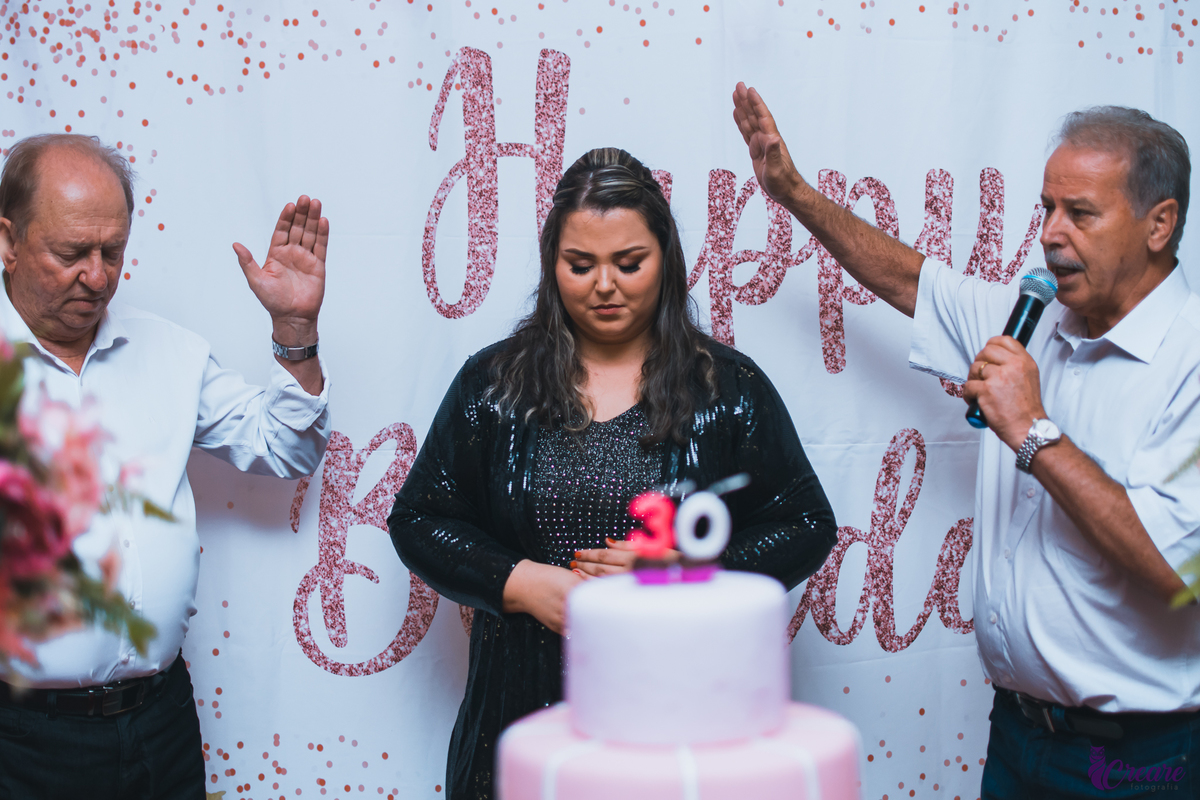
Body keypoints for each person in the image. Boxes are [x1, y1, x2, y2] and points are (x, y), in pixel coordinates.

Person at [732, 85, 1200, 797]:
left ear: (1159, 224)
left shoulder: (1190, 360)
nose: (1051, 232)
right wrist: (792, 192)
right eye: (1047, 208)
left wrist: (1034, 433)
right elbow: (914, 282)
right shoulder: (1035, 315)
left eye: (1081, 213)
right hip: (1016, 739)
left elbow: (1178, 572)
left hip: (1136, 762)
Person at [388, 147, 837, 800]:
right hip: (517, 722)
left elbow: (806, 523)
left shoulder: (729, 388)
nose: (605, 285)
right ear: (552, 265)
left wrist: (693, 574)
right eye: (580, 265)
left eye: (629, 264)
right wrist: (519, 582)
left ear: (666, 261)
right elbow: (419, 518)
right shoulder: (494, 385)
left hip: (678, 728)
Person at [0, 134, 331, 799]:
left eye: (112, 251)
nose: (96, 276)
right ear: (6, 239)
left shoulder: (169, 352)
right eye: (70, 254)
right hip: (22, 738)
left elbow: (285, 448)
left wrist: (295, 329)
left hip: (162, 723)